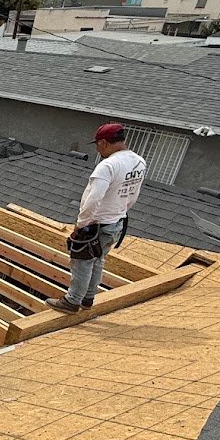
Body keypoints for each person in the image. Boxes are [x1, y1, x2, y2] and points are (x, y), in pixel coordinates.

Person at [46, 122, 147, 314]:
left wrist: (82, 224)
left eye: (97, 145)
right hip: (116, 222)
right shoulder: (139, 162)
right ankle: (88, 299)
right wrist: (121, 211)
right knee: (98, 259)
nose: (97, 149)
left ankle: (72, 301)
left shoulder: (108, 165)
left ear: (104, 142)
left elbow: (93, 199)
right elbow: (133, 194)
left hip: (97, 223)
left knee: (82, 260)